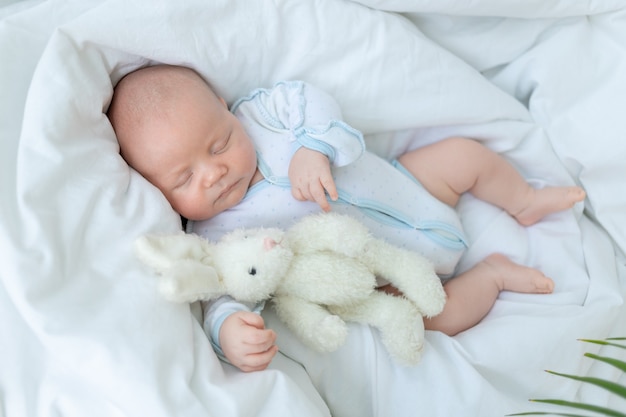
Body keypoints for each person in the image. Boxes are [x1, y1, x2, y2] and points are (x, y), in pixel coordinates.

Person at [107, 64, 586, 372]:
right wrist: (228, 330)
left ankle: (522, 199)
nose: (215, 173)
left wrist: (313, 147)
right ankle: (494, 275)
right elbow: (225, 290)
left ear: (224, 109)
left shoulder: (263, 116)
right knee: (434, 317)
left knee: (463, 156)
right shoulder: (221, 236)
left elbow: (306, 98)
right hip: (391, 276)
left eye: (219, 145)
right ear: (157, 193)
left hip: (415, 183)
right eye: (184, 178)